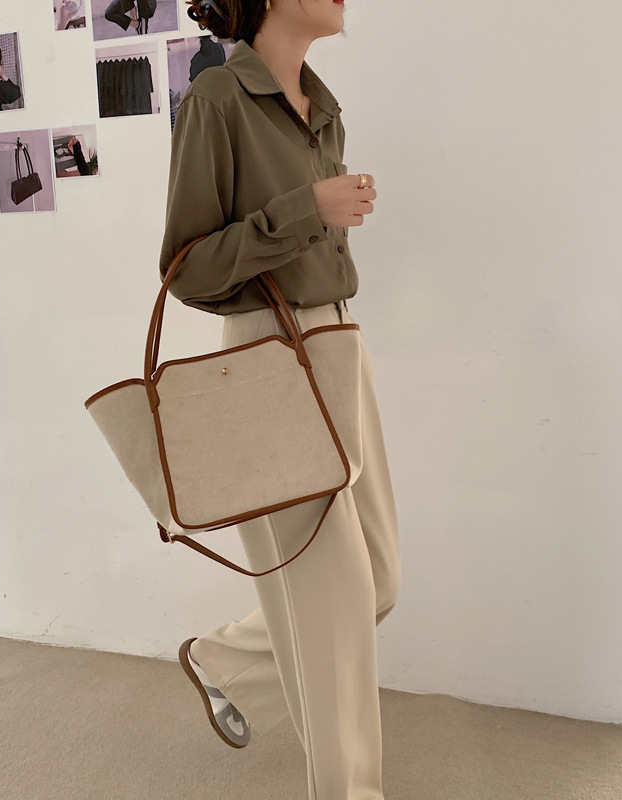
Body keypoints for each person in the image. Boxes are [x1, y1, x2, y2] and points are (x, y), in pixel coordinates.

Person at [160, 1, 402, 798]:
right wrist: (307, 212)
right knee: (333, 603)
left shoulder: (321, 108)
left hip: (339, 342)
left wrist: (324, 218)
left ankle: (225, 660)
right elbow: (187, 267)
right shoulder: (217, 99)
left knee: (378, 580)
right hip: (271, 353)